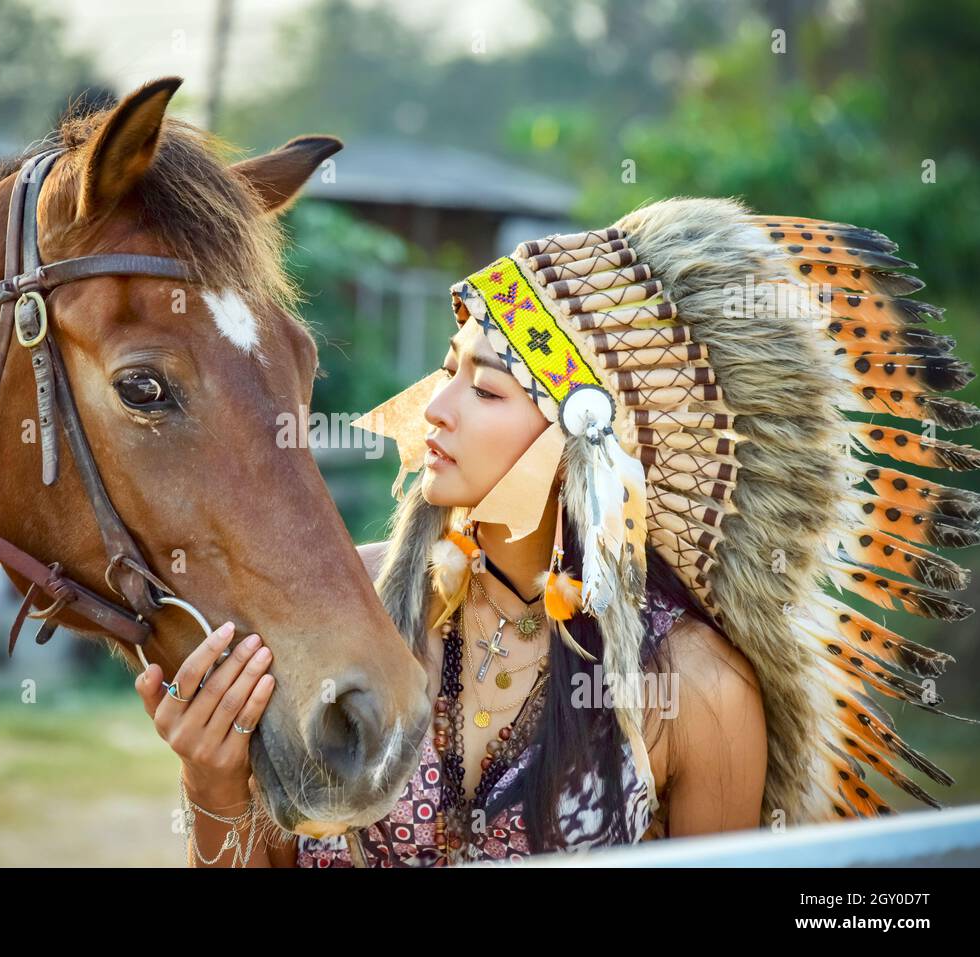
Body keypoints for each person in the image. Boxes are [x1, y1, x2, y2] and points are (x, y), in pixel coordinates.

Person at [138, 196, 978, 867]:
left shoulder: (697, 689)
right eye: (448, 368)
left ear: (587, 442)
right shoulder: (338, 604)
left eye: (488, 389)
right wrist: (211, 780)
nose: (435, 406)